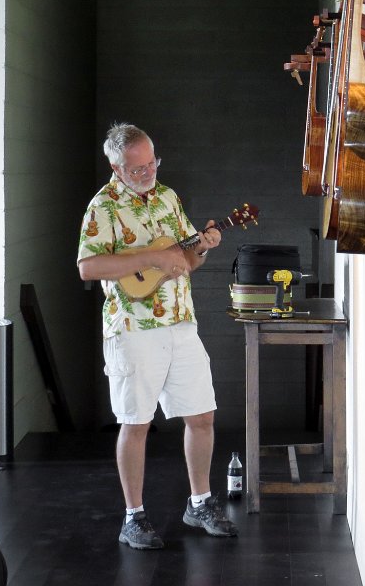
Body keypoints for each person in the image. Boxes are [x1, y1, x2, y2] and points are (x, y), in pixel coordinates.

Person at [77, 122, 237, 550]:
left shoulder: (167, 198)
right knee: (136, 423)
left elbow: (184, 262)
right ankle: (133, 518)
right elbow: (88, 268)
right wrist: (153, 256)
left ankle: (199, 502)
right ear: (116, 165)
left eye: (152, 163)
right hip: (132, 328)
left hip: (181, 323)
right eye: (138, 168)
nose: (149, 173)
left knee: (202, 416)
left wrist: (201, 247)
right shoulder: (103, 207)